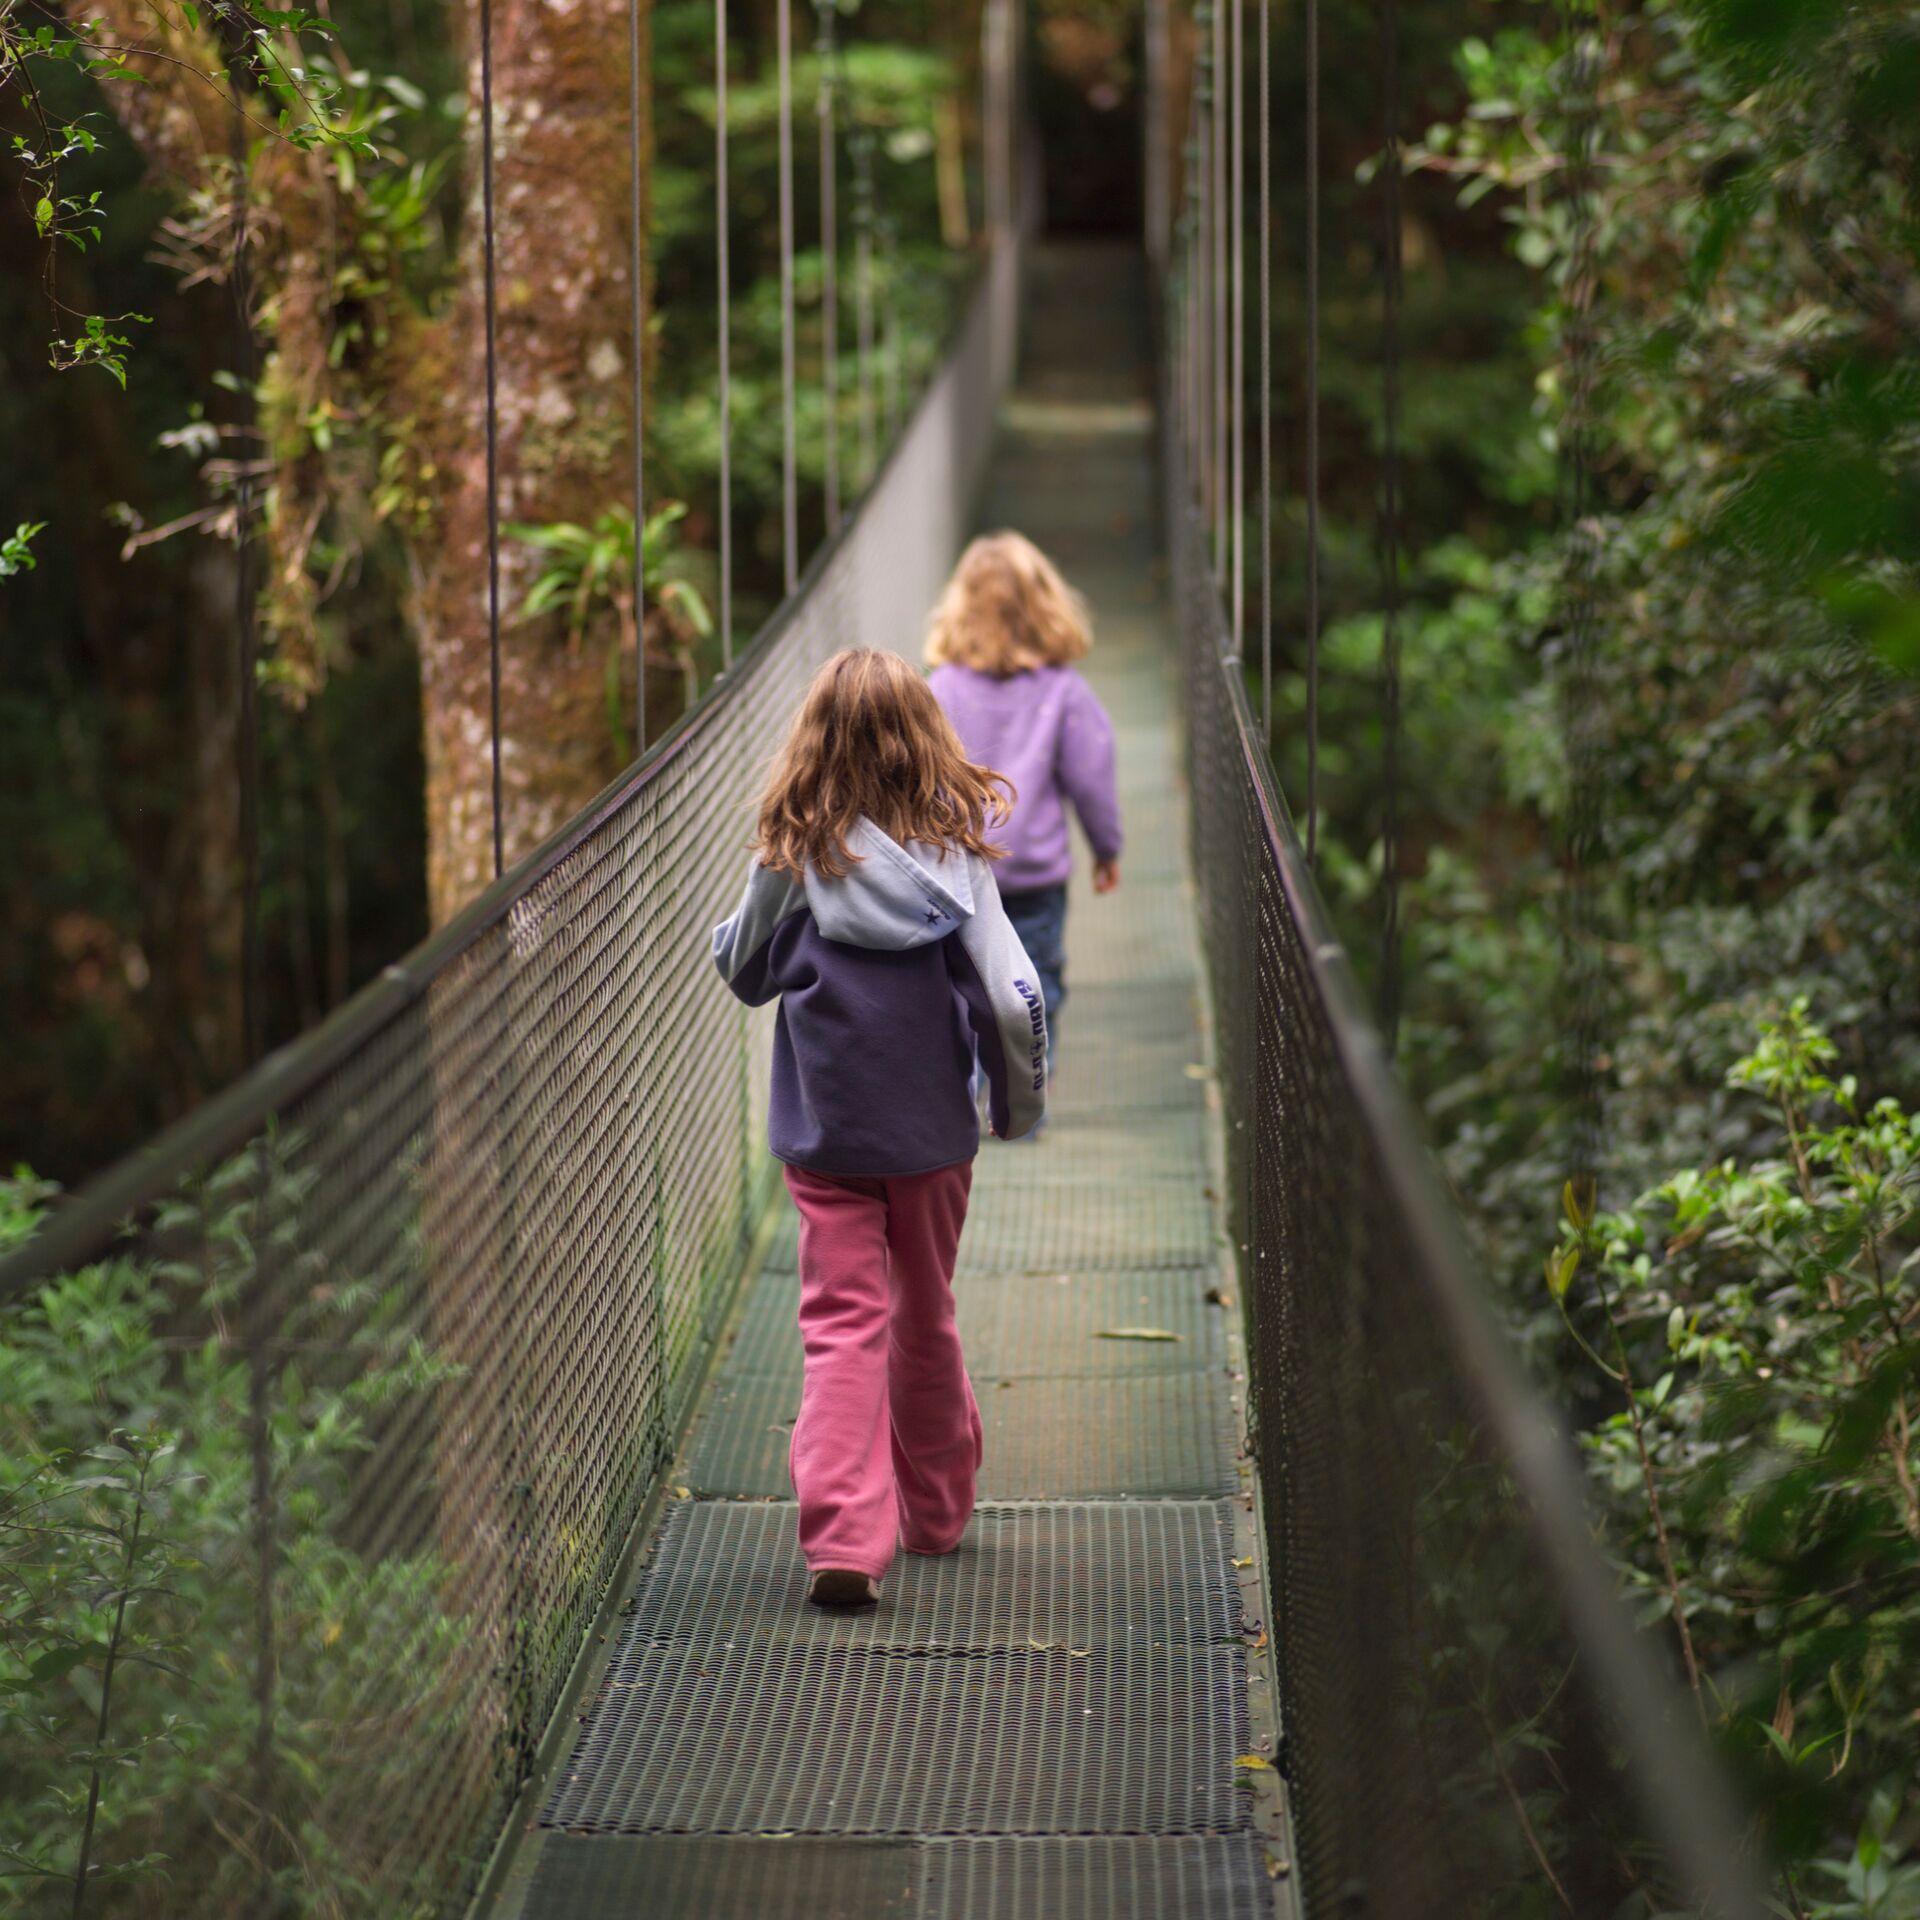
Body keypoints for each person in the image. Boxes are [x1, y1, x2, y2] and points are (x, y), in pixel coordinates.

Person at [711, 648, 1048, 1609]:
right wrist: (1015, 1108)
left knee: (841, 1327)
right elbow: (1015, 997)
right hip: (932, 1138)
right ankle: (938, 1511)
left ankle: (846, 1544)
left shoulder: (794, 856)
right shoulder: (957, 861)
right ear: (926, 745)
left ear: (813, 749)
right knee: (925, 1311)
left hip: (827, 1137)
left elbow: (743, 973)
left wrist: (758, 911)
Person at [925, 532, 1122, 1064]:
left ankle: (969, 1096)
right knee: (1034, 985)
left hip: (956, 875)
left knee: (962, 985)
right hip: (1033, 876)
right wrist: (1107, 848)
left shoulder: (939, 688)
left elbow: (916, 779)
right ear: (1046, 605)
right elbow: (1092, 777)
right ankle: (1027, 1102)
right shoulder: (1063, 689)